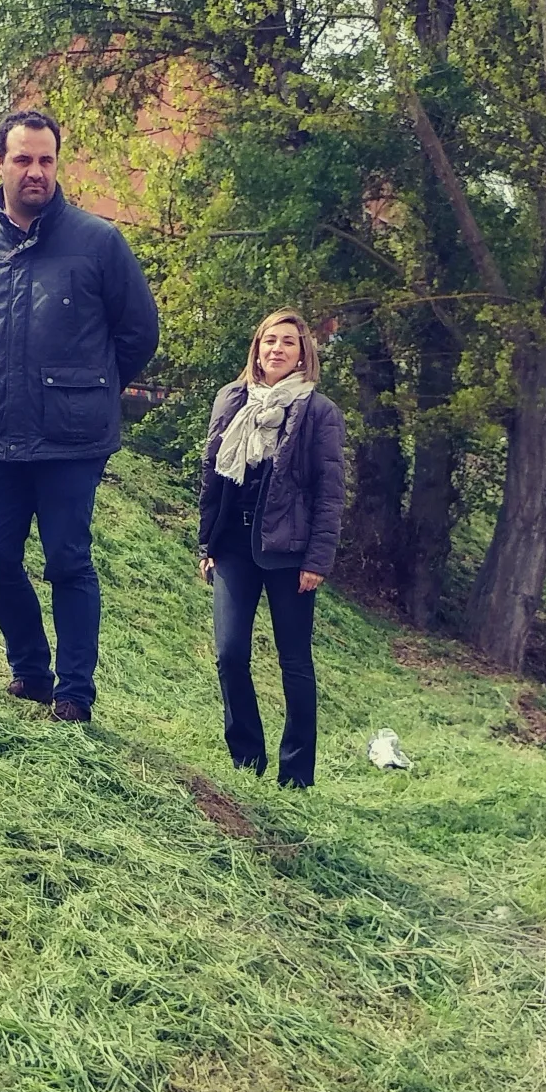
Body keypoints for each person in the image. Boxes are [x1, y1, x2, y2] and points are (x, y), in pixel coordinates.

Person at [0, 110, 161, 723]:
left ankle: (74, 694)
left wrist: (88, 387)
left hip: (72, 440)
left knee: (68, 560)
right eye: (23, 160)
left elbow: (139, 332)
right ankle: (31, 670)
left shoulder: (97, 242)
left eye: (46, 160)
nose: (36, 171)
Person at [197, 310, 345, 787]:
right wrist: (206, 543)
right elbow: (211, 476)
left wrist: (318, 560)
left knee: (294, 662)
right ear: (256, 348)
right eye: (269, 341)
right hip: (234, 547)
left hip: (291, 554)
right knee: (229, 653)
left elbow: (330, 492)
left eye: (287, 342)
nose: (277, 350)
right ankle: (246, 760)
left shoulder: (318, 411)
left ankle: (296, 775)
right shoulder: (231, 399)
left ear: (303, 353)